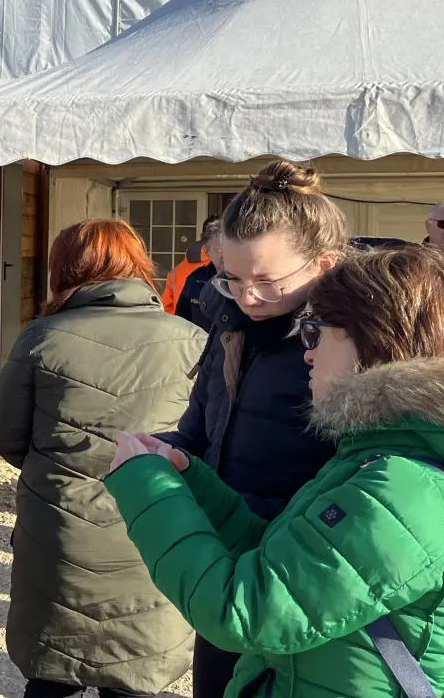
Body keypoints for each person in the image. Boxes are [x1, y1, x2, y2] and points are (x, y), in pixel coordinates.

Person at [108, 247, 444, 698]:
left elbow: (249, 611)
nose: (306, 353)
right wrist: (192, 483)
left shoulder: (404, 488)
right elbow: (288, 566)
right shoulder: (384, 457)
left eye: (314, 332)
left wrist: (146, 485)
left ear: (375, 339)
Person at [154, 160, 349, 698]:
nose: (247, 296)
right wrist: (155, 454)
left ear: (325, 266)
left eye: (267, 281)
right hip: (228, 560)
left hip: (301, 572)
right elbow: (198, 434)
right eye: (233, 279)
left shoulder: (345, 350)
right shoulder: (229, 325)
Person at [0, 219, 203, 698]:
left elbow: (5, 434)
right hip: (153, 520)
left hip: (60, 524)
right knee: (136, 667)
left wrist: (60, 466)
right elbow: (202, 441)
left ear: (63, 268)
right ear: (137, 265)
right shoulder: (191, 339)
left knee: (52, 672)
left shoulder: (43, 337)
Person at [160, 216, 218, 314]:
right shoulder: (223, 269)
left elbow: (166, 309)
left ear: (201, 236)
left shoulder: (175, 272)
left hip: (181, 327)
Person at [173, 218, 222, 329]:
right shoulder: (195, 281)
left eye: (228, 248)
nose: (224, 254)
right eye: (219, 249)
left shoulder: (245, 280)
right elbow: (181, 321)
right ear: (207, 251)